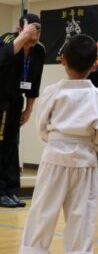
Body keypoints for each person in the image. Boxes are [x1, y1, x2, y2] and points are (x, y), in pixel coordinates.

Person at [19, 34, 98, 254]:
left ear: (63, 61)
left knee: (43, 211)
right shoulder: (97, 96)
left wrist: (51, 141)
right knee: (82, 216)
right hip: (85, 160)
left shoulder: (53, 92)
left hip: (54, 157)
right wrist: (97, 147)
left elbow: (41, 124)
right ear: (94, 64)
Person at [0, 13, 45, 208]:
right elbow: (2, 59)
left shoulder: (40, 50)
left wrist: (29, 109)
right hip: (1, 100)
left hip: (17, 101)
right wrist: (22, 38)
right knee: (1, 145)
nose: (35, 33)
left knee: (12, 145)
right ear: (19, 29)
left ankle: (11, 191)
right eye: (31, 28)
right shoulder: (8, 39)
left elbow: (35, 82)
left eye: (38, 29)